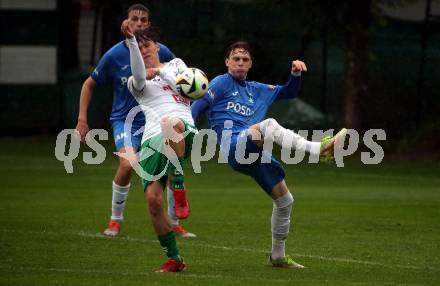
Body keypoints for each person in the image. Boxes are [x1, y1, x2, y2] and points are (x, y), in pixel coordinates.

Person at [191, 41, 347, 268]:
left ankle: (278, 255)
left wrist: (295, 74)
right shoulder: (221, 83)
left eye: (245, 59)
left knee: (285, 201)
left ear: (251, 63)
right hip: (234, 147)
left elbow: (289, 92)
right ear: (227, 62)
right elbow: (199, 105)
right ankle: (318, 150)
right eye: (236, 58)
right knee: (269, 124)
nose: (240, 62)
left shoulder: (257, 89)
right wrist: (188, 127)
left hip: (254, 152)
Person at [75, 3, 195, 238]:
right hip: (125, 120)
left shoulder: (164, 53)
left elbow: (181, 81)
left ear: (149, 25)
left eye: (143, 20)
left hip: (155, 119)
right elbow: (89, 84)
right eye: (134, 19)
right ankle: (115, 220)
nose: (139, 23)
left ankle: (175, 222)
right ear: (126, 23)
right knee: (127, 164)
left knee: (171, 162)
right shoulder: (114, 55)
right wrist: (82, 119)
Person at [122, 24, 197, 272]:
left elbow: (193, 87)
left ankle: (178, 185)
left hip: (181, 127)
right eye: (137, 47)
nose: (143, 50)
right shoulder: (135, 82)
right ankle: (174, 259)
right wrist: (131, 40)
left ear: (157, 46)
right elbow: (142, 77)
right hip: (151, 139)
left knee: (169, 122)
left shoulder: (176, 65)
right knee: (153, 202)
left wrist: (161, 73)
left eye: (146, 45)